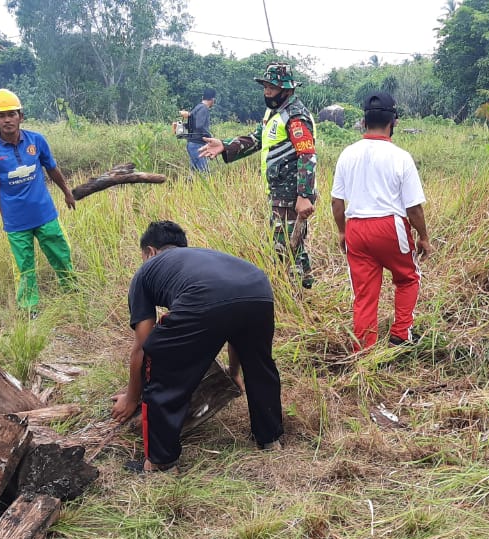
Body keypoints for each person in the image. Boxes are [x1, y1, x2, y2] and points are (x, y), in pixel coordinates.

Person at [112, 221, 283, 473]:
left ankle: (160, 463)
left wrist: (131, 398)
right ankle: (271, 439)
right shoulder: (204, 257)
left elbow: (145, 347)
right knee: (260, 367)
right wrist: (233, 372)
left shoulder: (146, 271)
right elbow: (234, 327)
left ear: (150, 252)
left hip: (207, 295)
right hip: (258, 289)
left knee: (162, 366)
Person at [199, 62, 318, 289]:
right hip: (278, 193)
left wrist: (304, 195)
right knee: (293, 247)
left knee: (285, 250)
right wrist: (225, 146)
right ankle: (305, 290)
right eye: (265, 86)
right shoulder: (274, 113)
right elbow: (256, 139)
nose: (267, 91)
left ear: (287, 89)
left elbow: (307, 156)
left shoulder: (296, 116)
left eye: (271, 87)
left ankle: (291, 295)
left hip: (291, 196)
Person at [331, 92, 432, 350]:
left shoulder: (347, 154)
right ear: (394, 122)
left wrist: (342, 232)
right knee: (408, 278)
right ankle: (401, 334)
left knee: (364, 294)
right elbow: (413, 208)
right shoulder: (400, 157)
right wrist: (424, 236)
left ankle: (364, 349)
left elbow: (337, 202)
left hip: (356, 228)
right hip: (389, 226)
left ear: (363, 123)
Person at [0, 88, 77, 313]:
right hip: (16, 222)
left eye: (11, 114)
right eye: (1, 116)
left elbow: (51, 168)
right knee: (24, 268)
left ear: (21, 116)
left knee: (62, 255)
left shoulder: (36, 140)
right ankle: (30, 309)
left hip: (45, 215)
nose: (7, 120)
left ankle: (72, 295)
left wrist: (66, 191)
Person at [180, 88, 216, 172]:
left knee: (194, 173)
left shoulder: (197, 107)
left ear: (203, 97)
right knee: (204, 172)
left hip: (192, 144)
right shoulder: (204, 108)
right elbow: (199, 125)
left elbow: (192, 125)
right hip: (197, 145)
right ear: (212, 99)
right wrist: (209, 137)